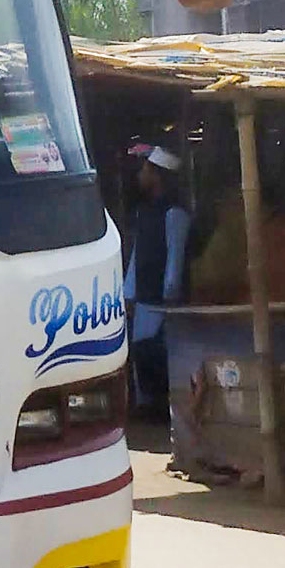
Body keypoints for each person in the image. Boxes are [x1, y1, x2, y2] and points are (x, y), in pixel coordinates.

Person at [125, 145, 193, 422]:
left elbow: (175, 256)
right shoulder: (144, 212)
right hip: (143, 298)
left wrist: (170, 295)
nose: (141, 175)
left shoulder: (175, 214)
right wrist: (128, 292)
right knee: (141, 353)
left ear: (158, 175)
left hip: (162, 302)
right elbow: (137, 255)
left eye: (145, 170)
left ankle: (163, 409)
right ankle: (146, 406)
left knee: (161, 354)